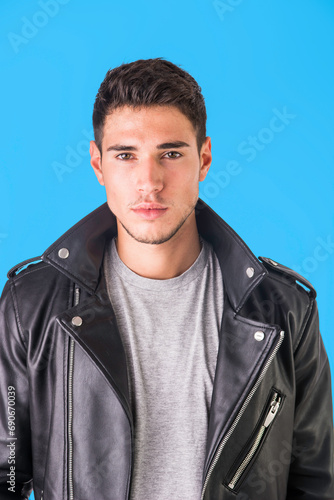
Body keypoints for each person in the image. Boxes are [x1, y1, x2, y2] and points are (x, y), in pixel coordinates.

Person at [0, 57, 333, 500]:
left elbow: (315, 481)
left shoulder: (282, 309)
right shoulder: (31, 304)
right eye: (126, 155)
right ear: (98, 165)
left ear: (204, 159)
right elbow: (5, 474)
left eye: (171, 154)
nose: (149, 182)